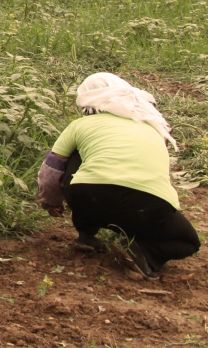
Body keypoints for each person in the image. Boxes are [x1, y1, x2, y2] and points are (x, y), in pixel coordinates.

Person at [38, 72, 200, 280]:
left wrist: (51, 202)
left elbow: (52, 169)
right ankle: (146, 254)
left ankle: (86, 234)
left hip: (88, 195)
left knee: (78, 155)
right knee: (189, 242)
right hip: (149, 205)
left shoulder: (80, 126)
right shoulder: (154, 129)